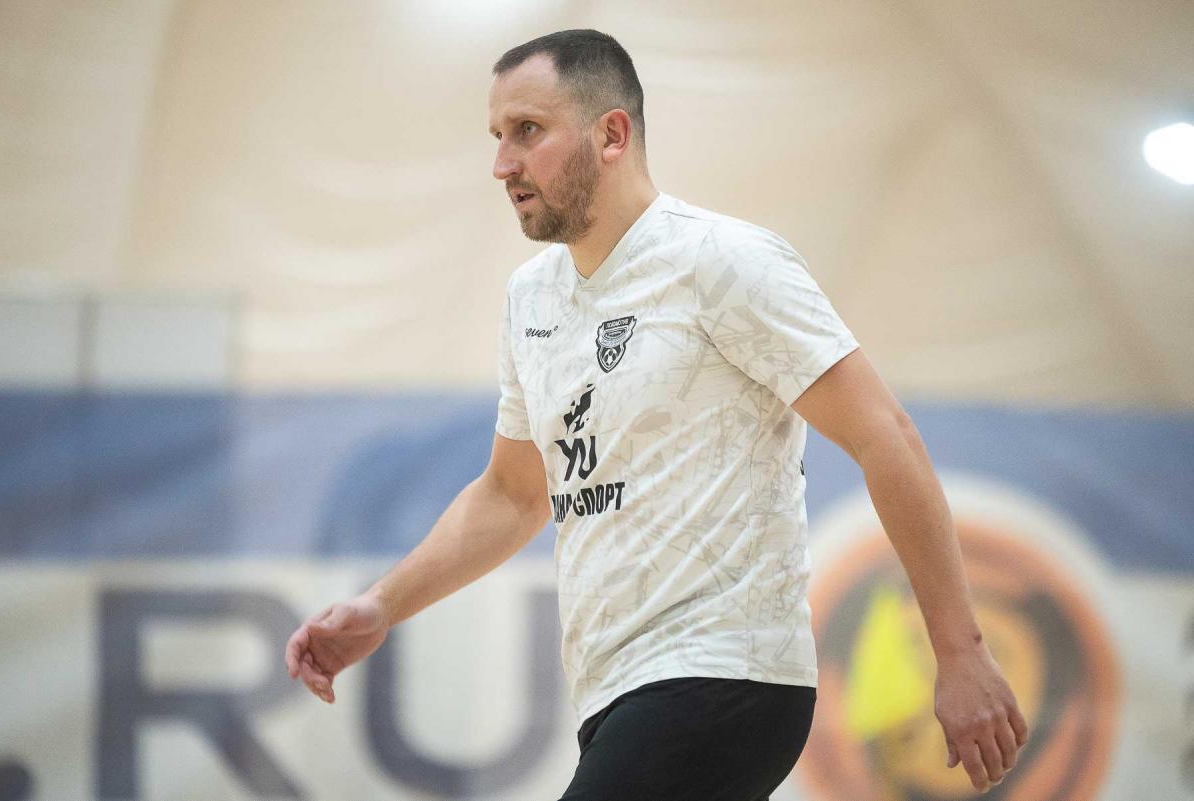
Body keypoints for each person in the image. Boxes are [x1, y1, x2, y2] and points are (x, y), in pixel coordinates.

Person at [284, 29, 1028, 800]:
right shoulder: (531, 299)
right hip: (614, 690)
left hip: (726, 673)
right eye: (498, 136)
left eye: (528, 131)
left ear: (612, 134)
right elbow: (511, 494)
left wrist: (961, 650)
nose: (503, 163)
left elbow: (883, 434)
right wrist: (381, 604)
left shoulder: (723, 261)